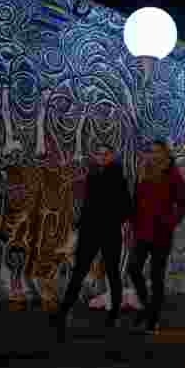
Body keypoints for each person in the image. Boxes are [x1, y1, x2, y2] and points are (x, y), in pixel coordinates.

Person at [51, 144, 133, 342]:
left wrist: (112, 220)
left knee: (113, 273)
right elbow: (88, 203)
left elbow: (127, 207)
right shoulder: (93, 176)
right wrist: (80, 224)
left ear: (111, 156)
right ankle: (64, 311)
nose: (102, 157)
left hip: (109, 233)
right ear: (95, 156)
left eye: (106, 154)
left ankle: (114, 314)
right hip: (90, 232)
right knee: (79, 271)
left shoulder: (119, 178)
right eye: (99, 154)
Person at [127, 140, 185, 335]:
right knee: (134, 268)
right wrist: (132, 221)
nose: (154, 155)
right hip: (142, 231)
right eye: (151, 151)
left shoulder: (172, 174)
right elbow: (136, 199)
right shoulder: (143, 170)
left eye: (158, 152)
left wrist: (171, 221)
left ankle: (153, 319)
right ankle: (147, 306)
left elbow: (183, 203)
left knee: (156, 276)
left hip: (161, 233)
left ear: (165, 153)